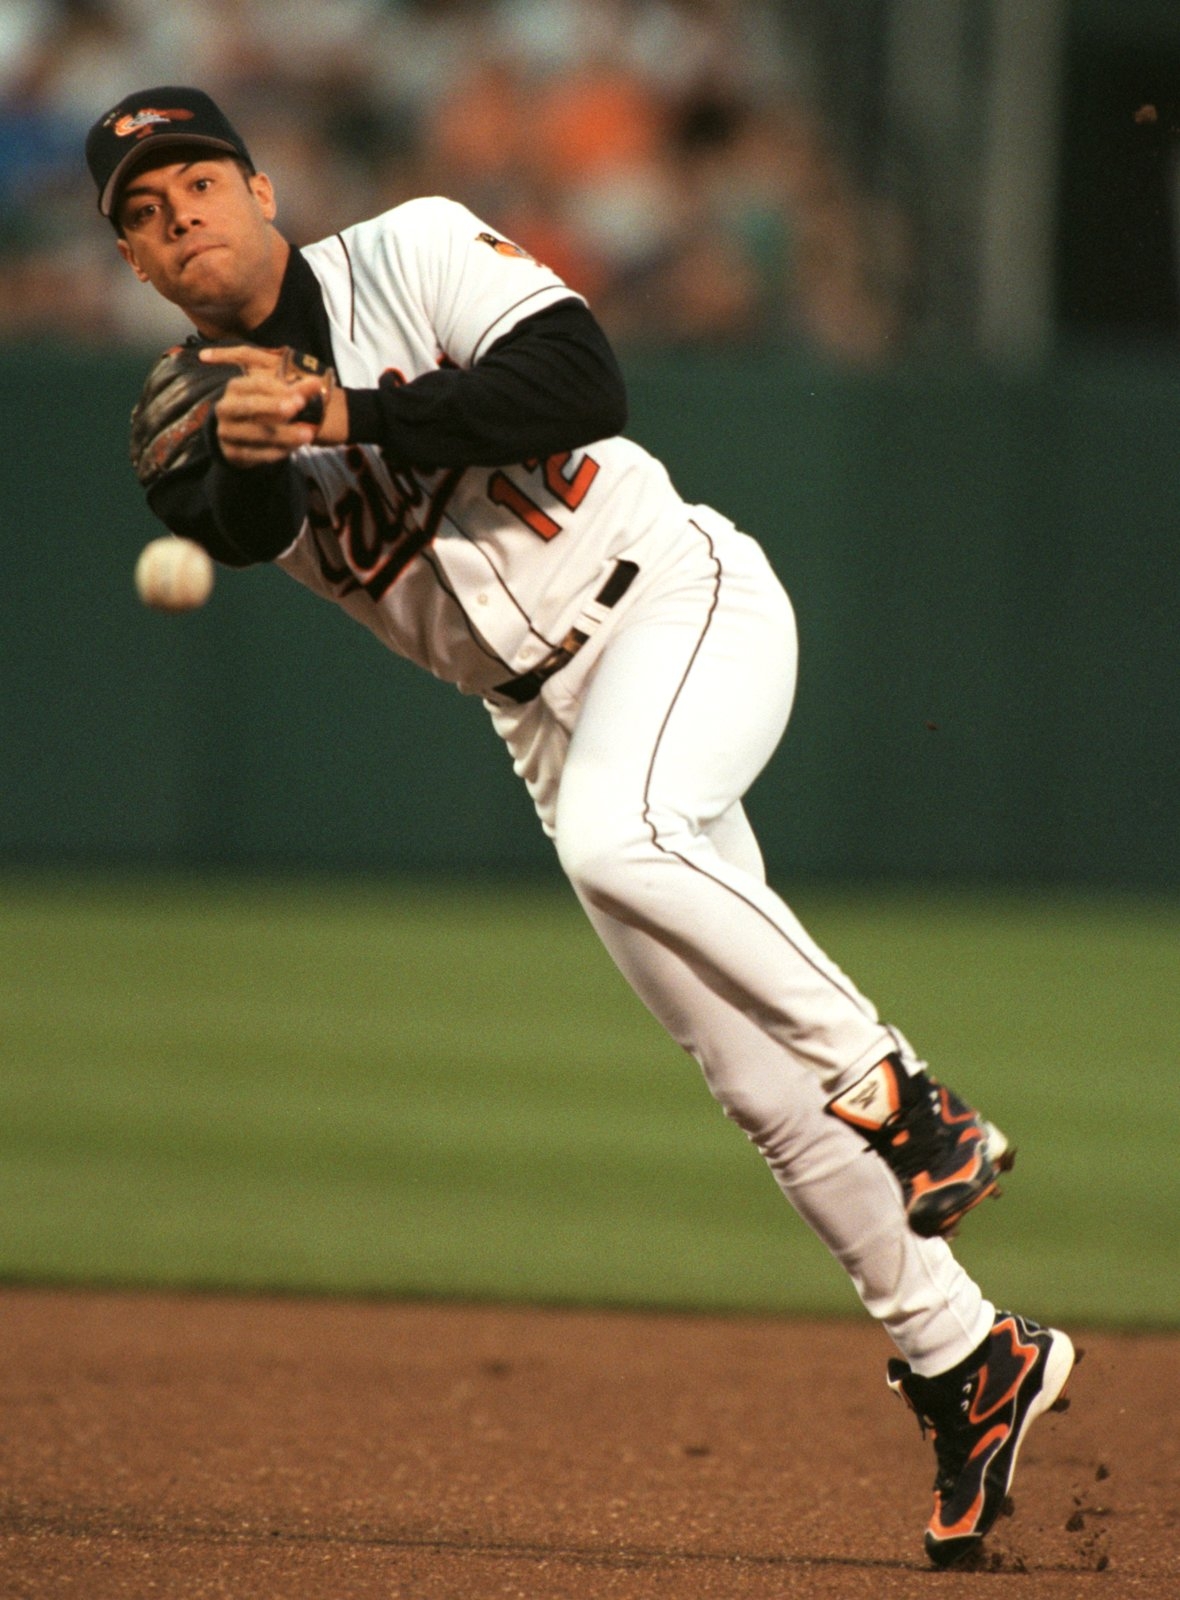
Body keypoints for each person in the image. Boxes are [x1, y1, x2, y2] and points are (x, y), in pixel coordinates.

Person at [86, 86, 1076, 1570]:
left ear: (263, 187)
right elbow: (235, 526)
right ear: (142, 268)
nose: (180, 224)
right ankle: (966, 1360)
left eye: (197, 186)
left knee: (631, 842)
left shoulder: (411, 252)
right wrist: (221, 461)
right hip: (537, 716)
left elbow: (581, 380)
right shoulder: (208, 422)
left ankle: (911, 1096)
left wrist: (351, 408)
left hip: (676, 601)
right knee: (745, 1077)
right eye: (144, 221)